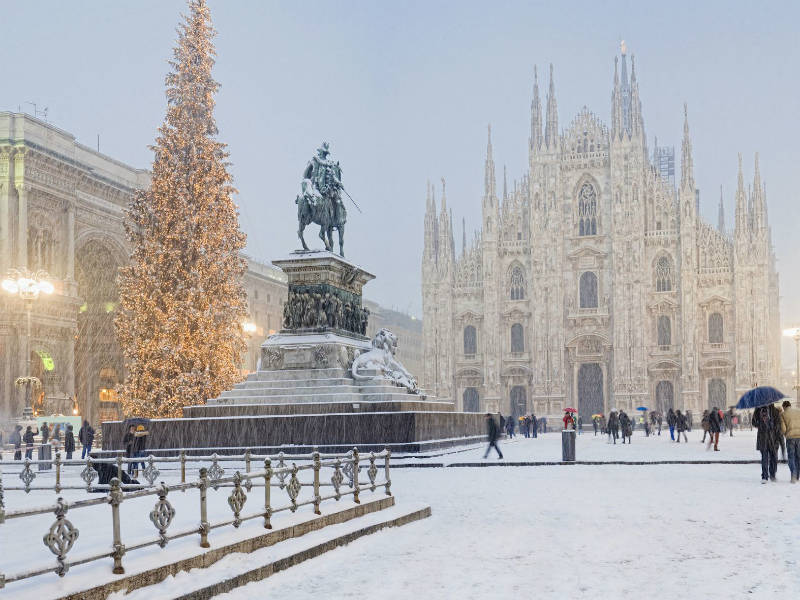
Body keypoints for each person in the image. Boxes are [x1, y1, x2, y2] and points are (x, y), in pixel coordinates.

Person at [753, 403, 781, 483]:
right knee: (772, 457)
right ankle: (770, 475)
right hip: (771, 437)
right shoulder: (774, 411)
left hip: (764, 437)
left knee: (766, 457)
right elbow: (778, 425)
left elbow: (754, 423)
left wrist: (761, 424)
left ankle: (766, 476)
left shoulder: (759, 409)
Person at [780, 400, 800, 483]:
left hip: (790, 438)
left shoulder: (783, 414)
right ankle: (798, 475)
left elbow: (783, 428)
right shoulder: (798, 412)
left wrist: (786, 434)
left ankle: (793, 475)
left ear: (784, 407)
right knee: (798, 456)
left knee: (791, 457)